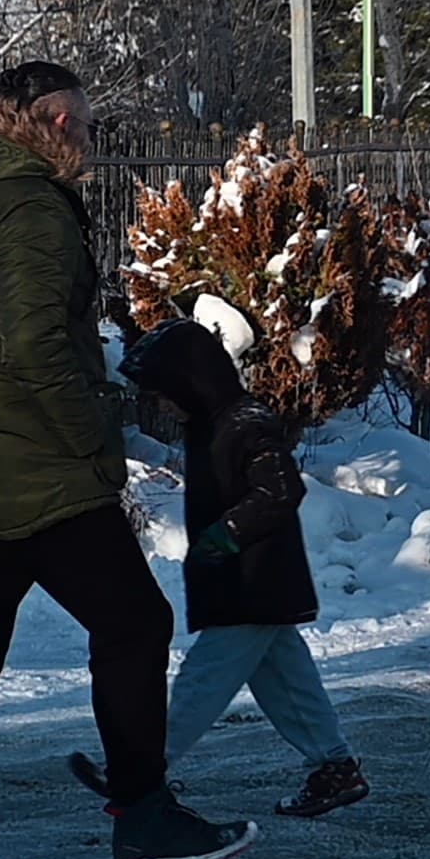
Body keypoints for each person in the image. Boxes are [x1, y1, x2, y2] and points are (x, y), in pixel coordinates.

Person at [0, 62, 254, 859]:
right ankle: (143, 818)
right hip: (38, 466)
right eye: (87, 129)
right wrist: (93, 442)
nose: (91, 147)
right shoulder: (29, 203)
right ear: (54, 122)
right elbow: (37, 347)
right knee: (135, 622)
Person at [81, 320, 368, 819]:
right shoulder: (212, 425)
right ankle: (335, 767)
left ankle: (139, 768)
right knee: (287, 683)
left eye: (163, 394)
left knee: (202, 681)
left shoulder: (245, 423)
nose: (160, 405)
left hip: (253, 582)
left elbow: (281, 489)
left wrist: (228, 532)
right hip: (249, 585)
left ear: (191, 381)